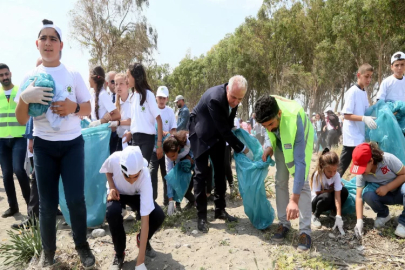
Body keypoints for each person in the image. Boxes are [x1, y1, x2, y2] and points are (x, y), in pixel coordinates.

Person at [14, 19, 95, 268]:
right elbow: (20, 119)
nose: (48, 43)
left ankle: (81, 245)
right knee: (47, 205)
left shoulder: (72, 73)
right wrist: (25, 99)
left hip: (72, 145)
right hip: (44, 147)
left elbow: (88, 107)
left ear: (61, 45)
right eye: (44, 38)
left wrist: (74, 107)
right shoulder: (30, 77)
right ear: (37, 44)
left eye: (53, 39)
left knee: (75, 200)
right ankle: (48, 252)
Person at [189, 75, 250, 233]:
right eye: (233, 98)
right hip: (200, 132)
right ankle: (202, 216)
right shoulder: (215, 98)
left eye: (239, 99)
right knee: (201, 173)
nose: (235, 102)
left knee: (221, 170)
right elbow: (224, 130)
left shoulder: (235, 97)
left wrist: (237, 132)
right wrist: (241, 147)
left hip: (216, 134)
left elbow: (228, 125)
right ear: (227, 89)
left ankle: (220, 210)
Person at [255, 95, 314, 252]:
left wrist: (294, 199)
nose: (268, 128)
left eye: (271, 124)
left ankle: (305, 232)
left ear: (279, 114)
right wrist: (269, 146)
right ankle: (284, 223)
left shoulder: (296, 119)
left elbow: (300, 163)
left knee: (302, 184)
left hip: (300, 139)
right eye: (264, 126)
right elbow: (269, 131)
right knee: (280, 181)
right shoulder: (267, 107)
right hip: (282, 143)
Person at [101, 146, 165, 270]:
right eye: (127, 176)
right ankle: (119, 253)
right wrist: (112, 186)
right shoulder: (114, 159)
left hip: (136, 194)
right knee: (112, 213)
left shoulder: (145, 176)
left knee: (157, 215)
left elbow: (145, 219)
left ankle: (142, 240)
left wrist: (140, 263)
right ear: (120, 166)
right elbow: (107, 170)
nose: (131, 180)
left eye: (135, 176)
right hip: (118, 192)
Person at [350, 143, 405, 239]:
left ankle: (403, 223)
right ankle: (383, 215)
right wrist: (359, 221)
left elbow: (404, 174)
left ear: (371, 161)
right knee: (367, 194)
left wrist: (387, 187)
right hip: (385, 196)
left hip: (400, 192)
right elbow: (358, 197)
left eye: (362, 168)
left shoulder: (388, 159)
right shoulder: (362, 174)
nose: (361, 171)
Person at [0, 63, 30, 218]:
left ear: (10, 73)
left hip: (19, 137)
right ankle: (13, 207)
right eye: (1, 75)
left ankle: (31, 205)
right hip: (2, 140)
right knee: (6, 174)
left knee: (19, 169)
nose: (4, 77)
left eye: (6, 74)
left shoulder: (20, 91)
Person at [338, 64, 377, 177]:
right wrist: (364, 118)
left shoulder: (363, 92)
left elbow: (365, 110)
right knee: (344, 164)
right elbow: (346, 115)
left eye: (370, 77)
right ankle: (331, 185)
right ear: (358, 75)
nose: (369, 79)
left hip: (359, 134)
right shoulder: (352, 91)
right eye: (366, 76)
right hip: (351, 135)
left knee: (362, 163)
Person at [122, 63, 163, 164]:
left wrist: (159, 144)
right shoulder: (131, 97)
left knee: (143, 168)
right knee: (135, 170)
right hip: (135, 139)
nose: (126, 79)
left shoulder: (148, 95)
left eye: (128, 76)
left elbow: (159, 119)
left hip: (147, 139)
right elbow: (135, 120)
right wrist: (130, 133)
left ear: (135, 76)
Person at [310, 149, 348, 233]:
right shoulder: (318, 175)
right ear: (323, 167)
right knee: (326, 196)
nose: (332, 174)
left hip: (328, 199)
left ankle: (333, 213)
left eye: (334, 171)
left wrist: (339, 215)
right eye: (329, 171)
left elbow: (337, 197)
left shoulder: (336, 175)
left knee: (344, 191)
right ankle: (315, 215)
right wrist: (332, 189)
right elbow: (317, 193)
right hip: (316, 202)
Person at [150, 86, 177, 205]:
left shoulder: (170, 111)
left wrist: (168, 134)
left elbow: (174, 130)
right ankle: (152, 200)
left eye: (164, 98)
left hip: (166, 149)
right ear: (156, 98)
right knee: (152, 173)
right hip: (153, 149)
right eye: (160, 97)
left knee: (166, 174)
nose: (161, 100)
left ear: (167, 99)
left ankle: (167, 201)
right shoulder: (151, 109)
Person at [163, 131, 196, 214]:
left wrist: (190, 157)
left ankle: (198, 200)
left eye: (173, 156)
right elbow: (170, 178)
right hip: (181, 164)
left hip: (192, 160)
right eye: (169, 157)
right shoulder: (169, 157)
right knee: (177, 180)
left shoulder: (187, 141)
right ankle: (179, 204)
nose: (171, 159)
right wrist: (170, 200)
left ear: (178, 149)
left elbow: (197, 148)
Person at [108, 73, 131, 152]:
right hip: (119, 141)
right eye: (116, 84)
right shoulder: (115, 105)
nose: (118, 86)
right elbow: (114, 128)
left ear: (127, 85)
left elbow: (132, 121)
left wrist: (118, 123)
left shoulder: (133, 101)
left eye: (121, 83)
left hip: (131, 139)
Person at [106, 71, 119, 154]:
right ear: (107, 83)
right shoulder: (104, 97)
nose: (115, 84)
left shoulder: (126, 97)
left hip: (122, 136)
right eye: (112, 81)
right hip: (108, 136)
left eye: (116, 81)